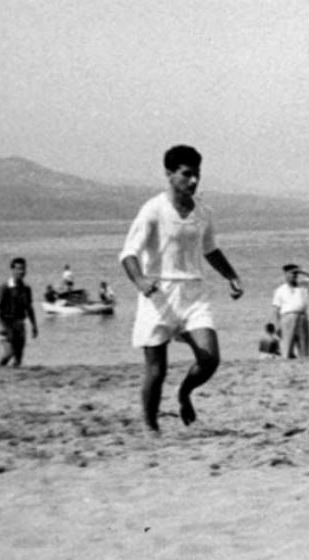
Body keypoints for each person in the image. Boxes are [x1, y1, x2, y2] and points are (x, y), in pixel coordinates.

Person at [120, 145, 244, 433]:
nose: (193, 181)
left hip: (193, 294)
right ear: (169, 174)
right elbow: (128, 253)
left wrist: (231, 276)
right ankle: (151, 427)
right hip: (158, 295)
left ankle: (185, 393)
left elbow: (211, 249)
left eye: (197, 174)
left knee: (210, 358)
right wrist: (139, 280)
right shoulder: (153, 210)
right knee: (156, 370)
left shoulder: (204, 212)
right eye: (187, 174)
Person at [272, 263, 309, 359]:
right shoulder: (280, 290)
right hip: (287, 318)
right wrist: (277, 326)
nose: (294, 275)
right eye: (292, 273)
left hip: (302, 317)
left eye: (296, 274)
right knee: (287, 346)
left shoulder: (304, 286)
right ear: (286, 274)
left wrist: (303, 271)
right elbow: (275, 310)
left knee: (304, 346)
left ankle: (304, 360)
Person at [0, 257, 39, 367]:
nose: (22, 271)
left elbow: (29, 308)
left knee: (19, 357)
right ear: (12, 270)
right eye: (19, 269)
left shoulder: (26, 288)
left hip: (20, 324)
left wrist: (34, 325)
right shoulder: (4, 287)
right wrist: (2, 326)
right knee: (9, 353)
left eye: (24, 269)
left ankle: (13, 379)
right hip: (7, 323)